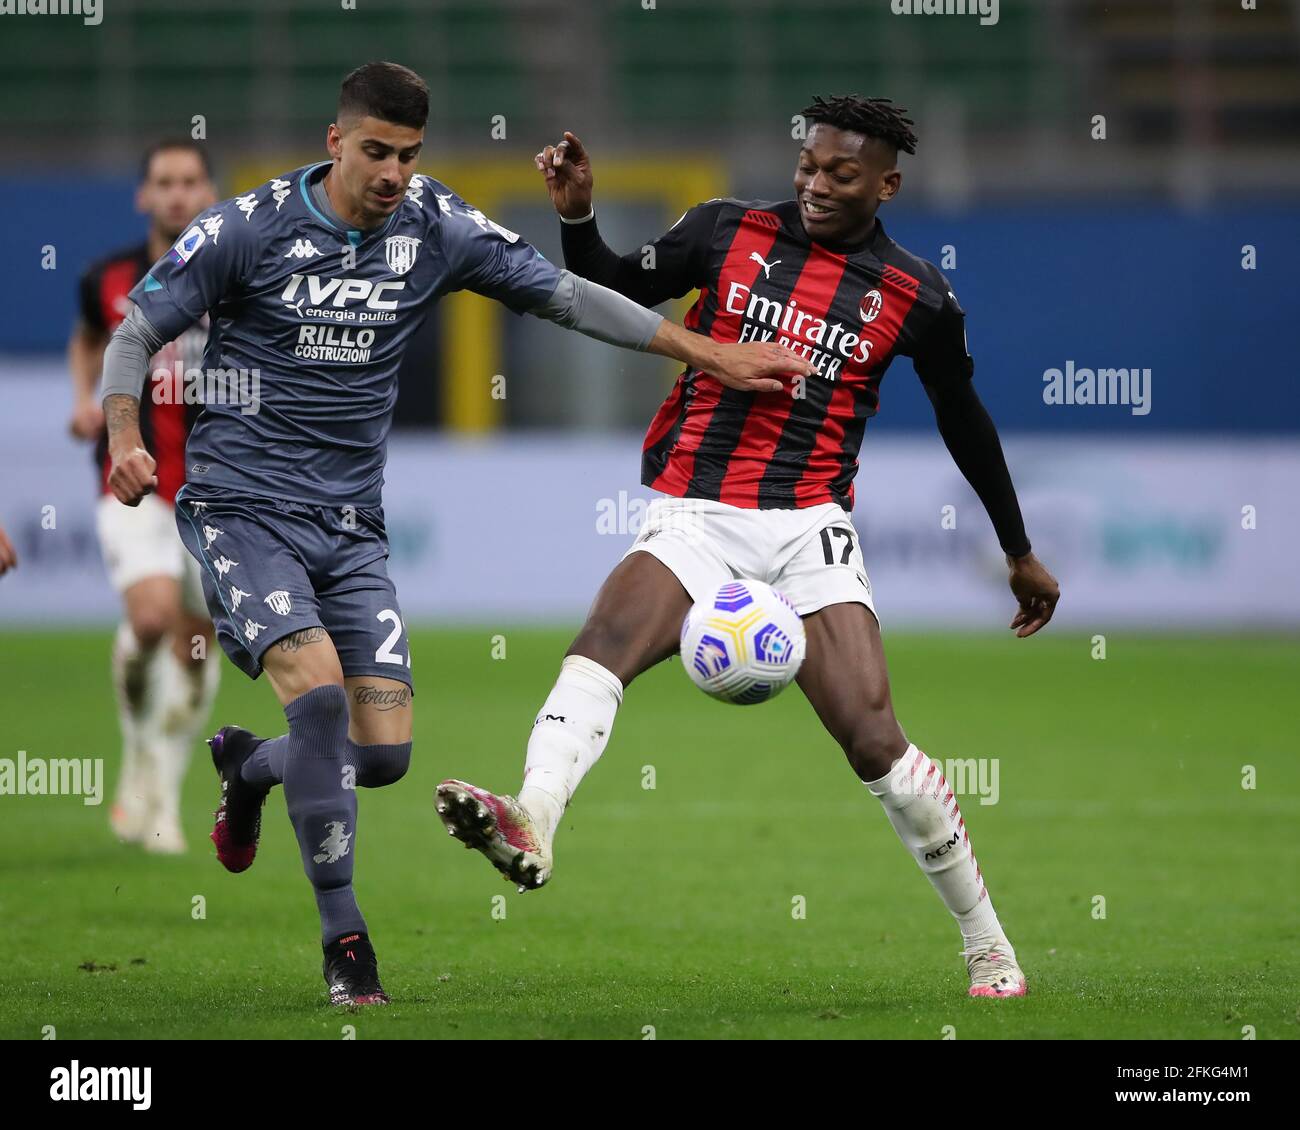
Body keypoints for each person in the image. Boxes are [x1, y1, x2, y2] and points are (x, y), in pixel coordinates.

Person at [98, 61, 813, 1007]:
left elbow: (564, 296)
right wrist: (123, 434)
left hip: (351, 524)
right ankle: (347, 948)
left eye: (409, 154)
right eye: (376, 152)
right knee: (316, 706)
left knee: (382, 753)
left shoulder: (435, 224)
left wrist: (705, 351)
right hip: (243, 507)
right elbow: (136, 329)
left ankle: (249, 766)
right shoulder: (250, 227)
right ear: (336, 142)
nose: (394, 172)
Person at [436, 96, 1061, 1000]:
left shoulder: (919, 296)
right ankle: (532, 816)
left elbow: (963, 419)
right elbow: (611, 284)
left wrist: (1017, 546)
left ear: (887, 183)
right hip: (696, 510)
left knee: (874, 742)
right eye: (808, 163)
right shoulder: (725, 230)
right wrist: (577, 215)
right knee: (601, 647)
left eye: (840, 173)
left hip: (812, 528)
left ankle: (988, 943)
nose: (814, 182)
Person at [70, 140, 220, 853]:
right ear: (143, 196)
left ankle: (161, 783)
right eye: (164, 182)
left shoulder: (238, 277)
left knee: (196, 650)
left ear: (210, 192)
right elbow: (89, 338)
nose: (177, 194)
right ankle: (141, 760)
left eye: (190, 182)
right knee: (155, 618)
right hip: (132, 483)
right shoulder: (110, 277)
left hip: (219, 497)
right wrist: (84, 400)